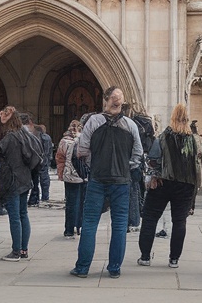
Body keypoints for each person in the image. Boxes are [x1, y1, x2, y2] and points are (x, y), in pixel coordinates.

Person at [71, 86, 144, 279]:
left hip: (98, 179)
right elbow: (137, 154)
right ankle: (114, 268)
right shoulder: (130, 125)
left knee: (90, 224)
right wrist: (125, 167)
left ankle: (83, 267)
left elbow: (82, 150)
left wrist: (94, 165)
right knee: (119, 225)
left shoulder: (93, 122)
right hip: (121, 181)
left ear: (105, 100)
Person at [136, 103, 200, 268]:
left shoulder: (163, 137)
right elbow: (197, 163)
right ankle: (174, 259)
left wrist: (154, 177)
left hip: (163, 182)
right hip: (185, 185)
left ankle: (145, 256)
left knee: (150, 218)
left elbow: (152, 160)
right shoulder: (192, 140)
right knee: (179, 221)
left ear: (172, 118)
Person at [0, 108, 41, 261]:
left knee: (14, 217)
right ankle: (24, 249)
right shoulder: (25, 135)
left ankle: (16, 251)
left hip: (13, 180)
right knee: (23, 214)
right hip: (25, 179)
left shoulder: (11, 137)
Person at [56, 119, 86, 237]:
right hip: (83, 175)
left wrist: (61, 173)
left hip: (70, 175)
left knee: (70, 202)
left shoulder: (64, 141)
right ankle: (79, 226)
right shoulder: (84, 140)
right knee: (82, 202)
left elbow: (59, 158)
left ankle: (69, 229)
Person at [28, 123, 53, 206]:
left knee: (37, 180)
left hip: (39, 161)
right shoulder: (47, 137)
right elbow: (48, 150)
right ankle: (45, 196)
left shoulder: (36, 137)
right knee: (44, 179)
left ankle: (36, 197)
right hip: (44, 160)